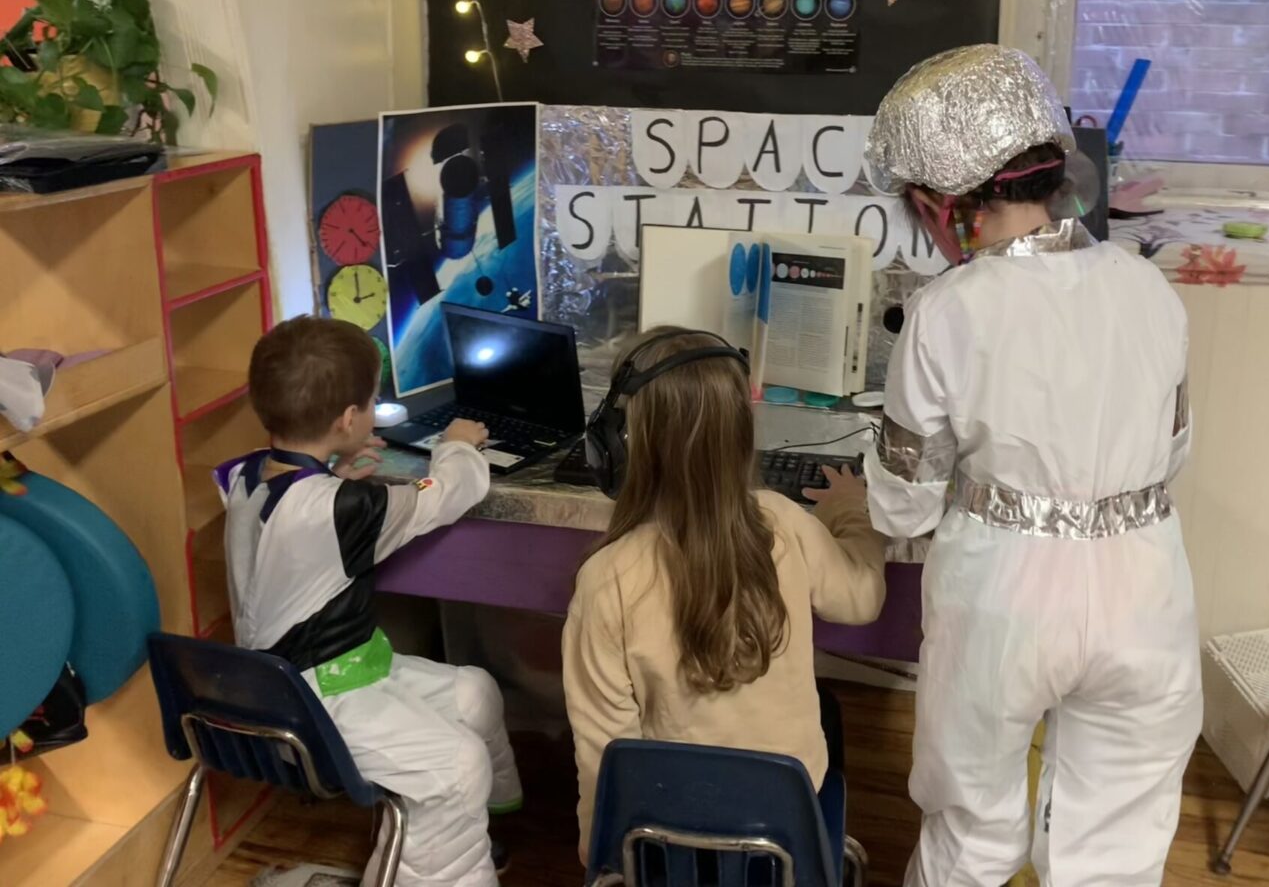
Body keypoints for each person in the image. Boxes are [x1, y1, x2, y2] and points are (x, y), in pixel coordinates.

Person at [864, 45, 1198, 887]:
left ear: (943, 204)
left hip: (1001, 594)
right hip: (1146, 587)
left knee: (971, 835)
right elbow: (1174, 450)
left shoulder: (947, 309)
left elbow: (902, 506)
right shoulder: (1150, 288)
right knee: (1116, 851)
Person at [562, 328, 888, 863]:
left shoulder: (606, 579)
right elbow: (862, 598)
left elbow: (604, 753)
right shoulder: (782, 525)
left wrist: (606, 862)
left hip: (667, 836)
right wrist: (853, 513)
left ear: (622, 442)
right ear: (741, 434)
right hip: (787, 833)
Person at [220, 316, 522, 887]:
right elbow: (449, 495)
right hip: (317, 698)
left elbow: (293, 527)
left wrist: (333, 471)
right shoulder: (344, 511)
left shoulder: (248, 478)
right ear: (348, 419)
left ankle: (470, 831)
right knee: (458, 764)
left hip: (316, 675)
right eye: (372, 400)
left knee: (474, 692)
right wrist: (456, 447)